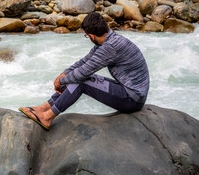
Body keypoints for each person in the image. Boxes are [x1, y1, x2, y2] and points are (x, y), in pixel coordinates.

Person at [19, 12, 150, 130]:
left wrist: (62, 81)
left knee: (81, 81)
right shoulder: (107, 40)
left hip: (132, 99)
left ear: (91, 35)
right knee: (78, 77)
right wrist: (64, 74)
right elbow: (83, 61)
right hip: (129, 90)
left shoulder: (110, 47)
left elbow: (83, 73)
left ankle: (47, 117)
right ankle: (42, 108)